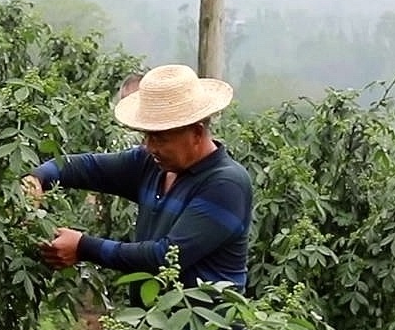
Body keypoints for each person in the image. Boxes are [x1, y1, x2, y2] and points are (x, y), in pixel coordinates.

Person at [20, 64, 252, 292]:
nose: (150, 147)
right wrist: (38, 178)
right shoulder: (150, 164)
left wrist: (83, 246)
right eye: (147, 136)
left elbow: (163, 256)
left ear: (197, 133)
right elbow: (87, 167)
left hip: (207, 329)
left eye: (160, 138)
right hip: (151, 326)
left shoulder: (226, 184)